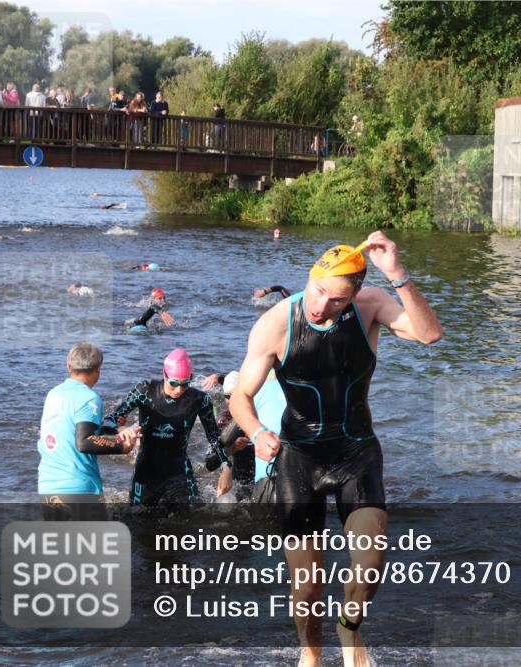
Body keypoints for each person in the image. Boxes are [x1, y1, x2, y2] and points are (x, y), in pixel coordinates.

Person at [229, 230, 442, 667]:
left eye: (336, 300)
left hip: (356, 451)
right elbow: (240, 397)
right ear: (310, 277)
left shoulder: (370, 307)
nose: (321, 306)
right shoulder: (274, 324)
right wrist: (255, 432)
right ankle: (310, 653)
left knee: (368, 569)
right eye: (318, 290)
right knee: (306, 585)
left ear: (355, 295)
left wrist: (398, 274)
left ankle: (349, 630)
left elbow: (429, 334)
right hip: (299, 457)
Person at [104, 348, 229, 505]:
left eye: (185, 384)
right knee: (136, 519)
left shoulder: (200, 400)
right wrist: (121, 429)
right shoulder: (145, 391)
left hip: (179, 469)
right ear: (164, 375)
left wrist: (226, 467)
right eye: (174, 383)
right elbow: (108, 421)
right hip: (146, 469)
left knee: (194, 518)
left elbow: (213, 437)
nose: (179, 390)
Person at [37, 343, 139, 519]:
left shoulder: (53, 394)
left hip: (48, 486)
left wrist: (113, 428)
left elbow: (69, 431)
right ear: (98, 370)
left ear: (68, 365)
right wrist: (121, 447)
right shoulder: (89, 398)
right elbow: (85, 441)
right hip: (78, 488)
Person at [204, 371, 255, 500]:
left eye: (236, 395)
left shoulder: (261, 411)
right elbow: (210, 463)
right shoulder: (224, 421)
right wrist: (233, 448)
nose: (232, 400)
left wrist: (219, 377)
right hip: (240, 480)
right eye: (227, 396)